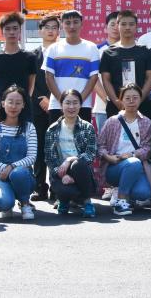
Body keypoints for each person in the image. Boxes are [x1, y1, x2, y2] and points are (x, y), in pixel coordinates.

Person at [97, 85, 151, 216]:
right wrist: (108, 157)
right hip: (114, 166)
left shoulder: (147, 123)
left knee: (143, 193)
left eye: (135, 98)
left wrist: (132, 154)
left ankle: (122, 191)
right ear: (121, 100)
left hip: (136, 165)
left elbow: (147, 149)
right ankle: (121, 202)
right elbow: (100, 145)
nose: (131, 101)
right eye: (127, 98)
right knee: (133, 163)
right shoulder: (112, 121)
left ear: (140, 99)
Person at [0, 86, 38, 221]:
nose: (13, 106)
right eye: (10, 102)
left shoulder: (29, 128)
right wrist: (5, 170)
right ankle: (7, 199)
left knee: (18, 173)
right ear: (3, 104)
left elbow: (32, 157)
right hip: (0, 177)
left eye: (18, 103)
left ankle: (25, 203)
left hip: (23, 177)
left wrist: (11, 167)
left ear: (23, 105)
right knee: (3, 203)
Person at [45, 89, 98, 217]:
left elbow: (91, 154)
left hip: (81, 171)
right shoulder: (52, 129)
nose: (71, 107)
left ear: (80, 105)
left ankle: (87, 202)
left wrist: (70, 159)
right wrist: (62, 175)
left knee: (78, 164)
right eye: (67, 103)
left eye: (75, 103)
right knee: (65, 190)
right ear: (61, 105)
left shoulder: (87, 127)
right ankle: (64, 200)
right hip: (60, 172)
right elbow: (50, 159)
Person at [42, 10, 101, 122]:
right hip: (57, 105)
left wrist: (78, 101)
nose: (72, 26)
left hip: (83, 105)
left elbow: (93, 77)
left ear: (81, 24)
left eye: (75, 22)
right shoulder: (53, 49)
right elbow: (48, 77)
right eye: (68, 23)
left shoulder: (91, 48)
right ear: (62, 25)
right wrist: (62, 100)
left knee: (82, 134)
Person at [99, 9, 151, 122]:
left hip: (142, 106)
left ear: (136, 26)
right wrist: (117, 101)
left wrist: (139, 100)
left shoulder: (145, 51)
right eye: (123, 24)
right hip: (116, 106)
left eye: (131, 24)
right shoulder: (108, 53)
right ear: (118, 26)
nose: (127, 27)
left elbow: (150, 78)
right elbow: (106, 80)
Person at [30, 13, 59, 202]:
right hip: (37, 105)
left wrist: (52, 99)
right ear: (40, 31)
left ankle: (57, 187)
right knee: (38, 147)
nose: (50, 31)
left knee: (57, 147)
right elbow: (29, 81)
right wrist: (41, 99)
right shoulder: (32, 55)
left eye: (54, 27)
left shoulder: (62, 52)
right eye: (47, 27)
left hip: (58, 104)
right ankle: (39, 187)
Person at [0, 12, 37, 115]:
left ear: (20, 30)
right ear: (2, 32)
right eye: (7, 29)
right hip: (1, 108)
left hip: (24, 108)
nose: (12, 32)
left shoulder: (30, 57)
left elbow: (31, 87)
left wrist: (21, 102)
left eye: (15, 28)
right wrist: (3, 103)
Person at [93, 11, 121, 131]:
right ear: (106, 28)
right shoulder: (97, 50)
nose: (115, 28)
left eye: (118, 24)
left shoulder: (133, 48)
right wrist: (108, 100)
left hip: (128, 107)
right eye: (112, 24)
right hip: (102, 107)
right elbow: (93, 79)